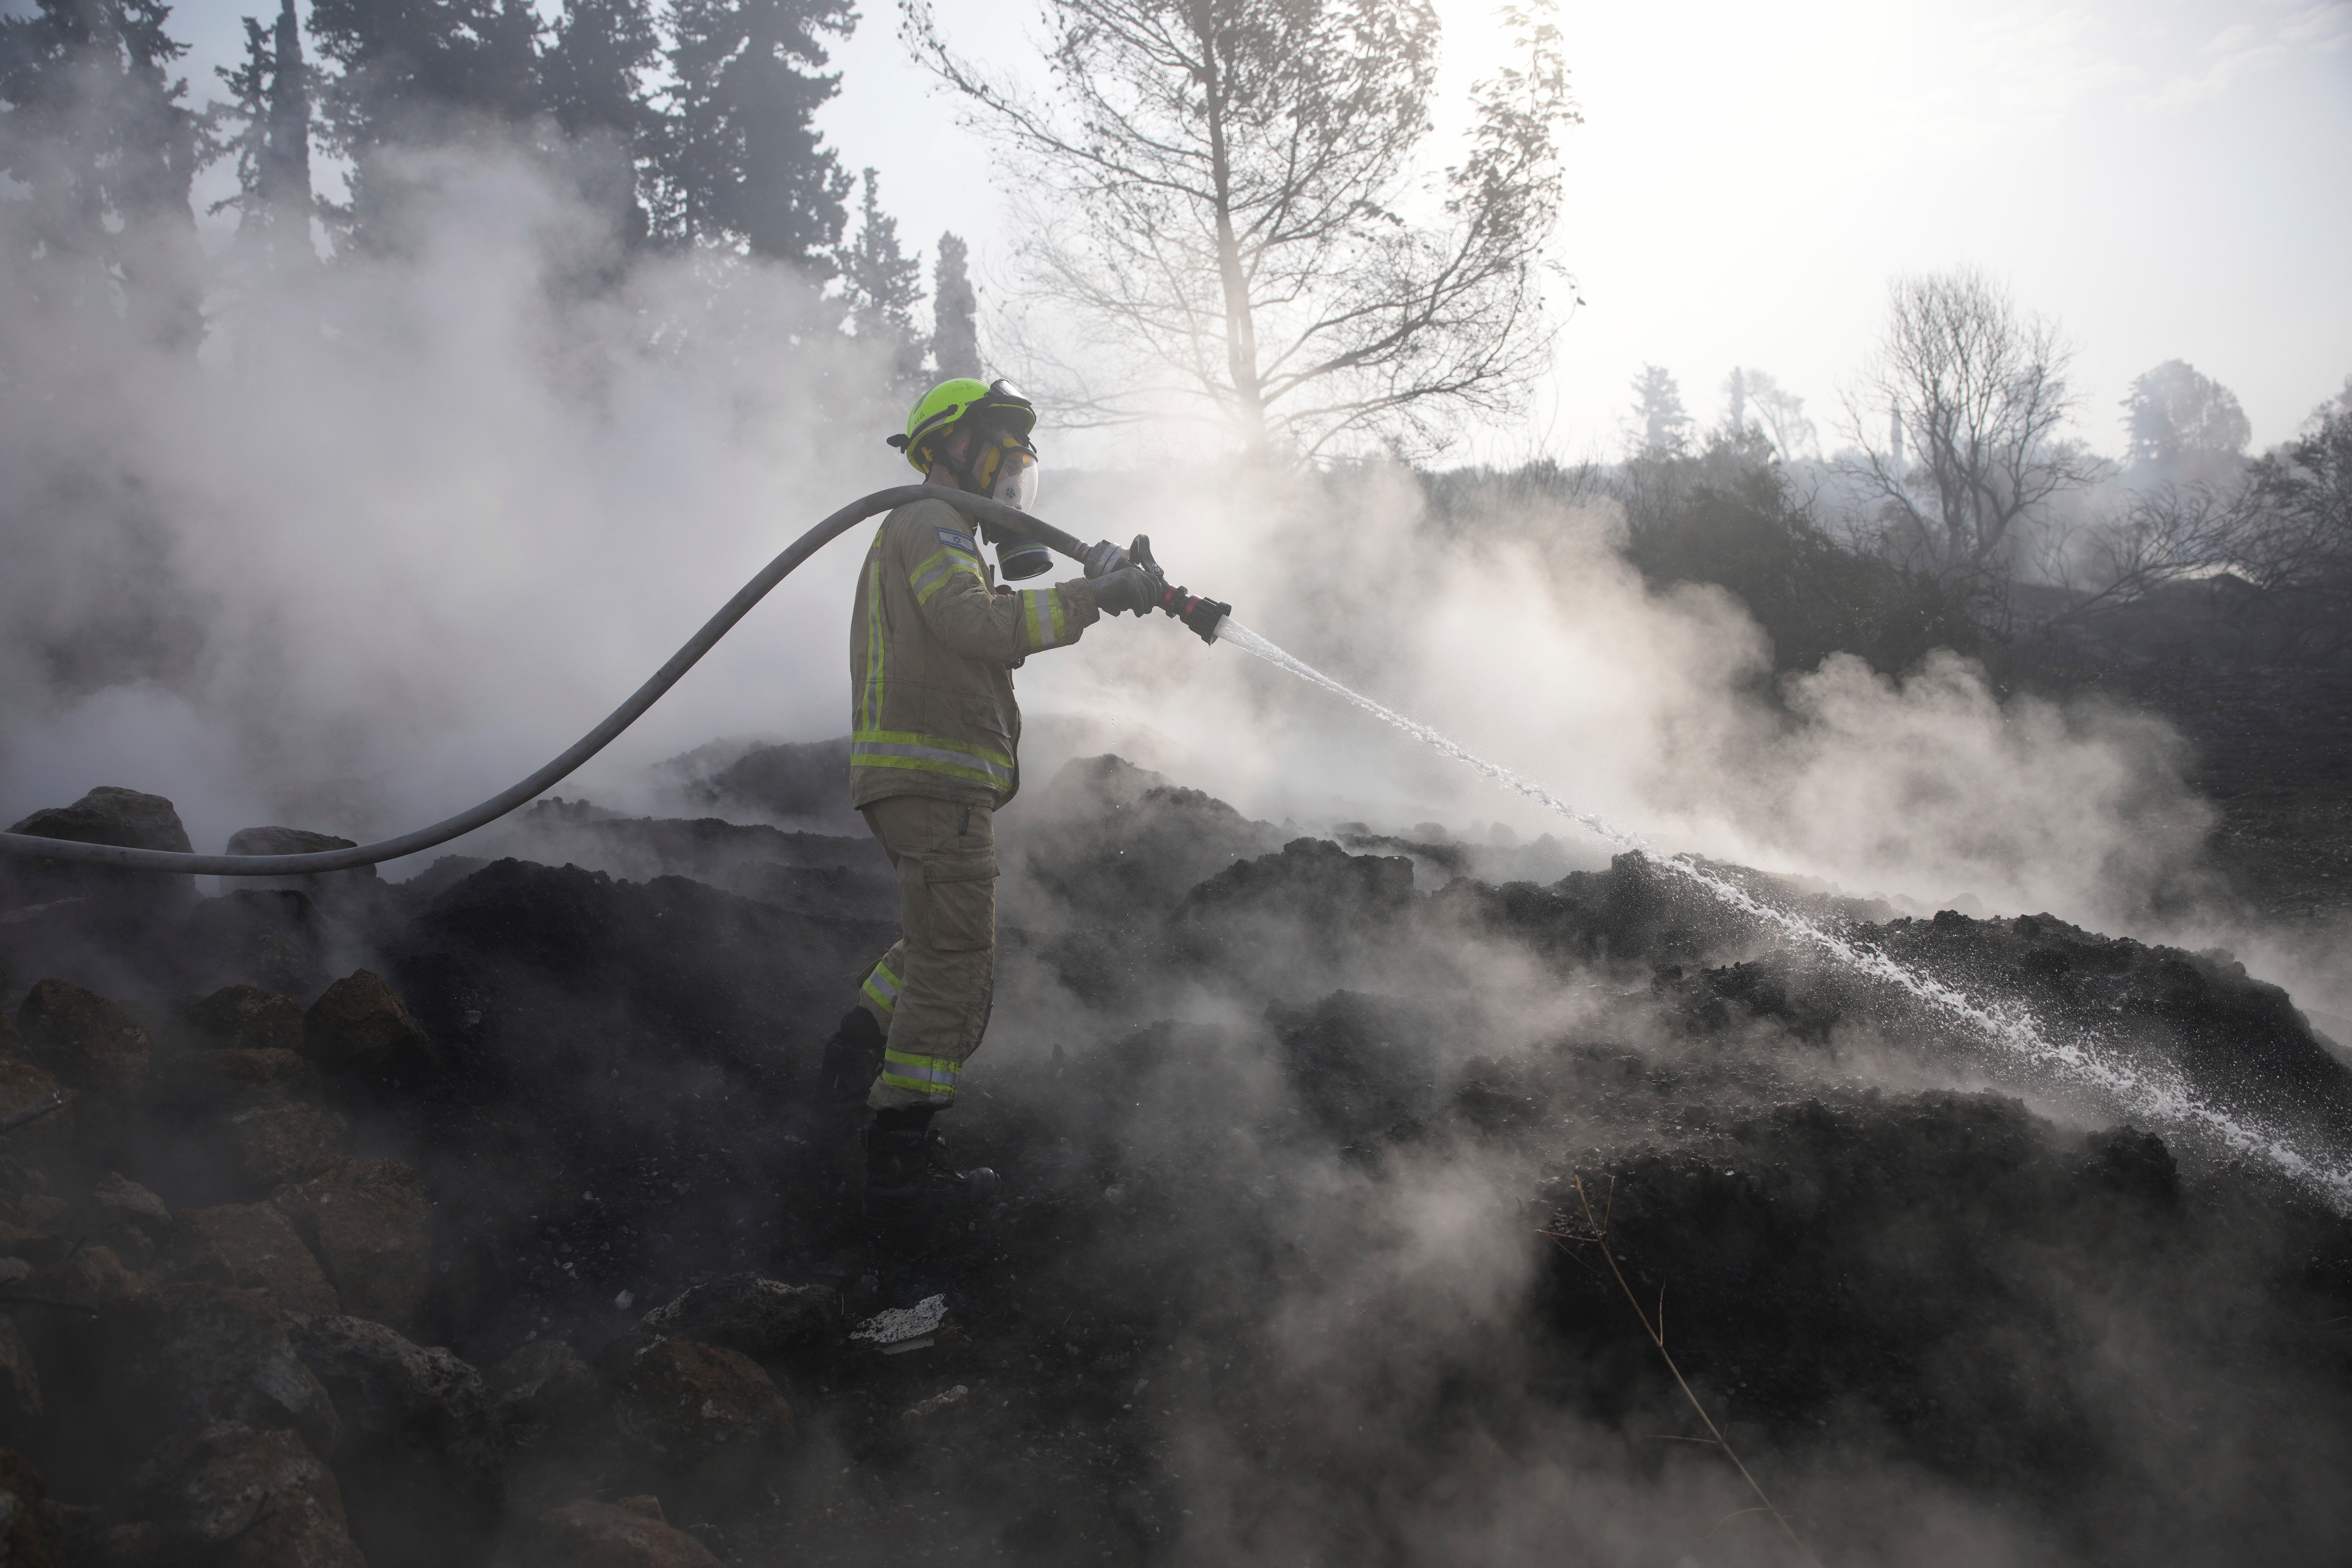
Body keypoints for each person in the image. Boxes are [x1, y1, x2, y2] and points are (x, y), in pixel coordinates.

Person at [819, 378, 1158, 1229]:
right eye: (996, 442)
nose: (1015, 463)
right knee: (957, 967)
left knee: (933, 944)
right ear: (944, 450)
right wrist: (1093, 599)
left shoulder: (934, 531)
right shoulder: (932, 520)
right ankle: (900, 1175)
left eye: (1020, 445)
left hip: (920, 783)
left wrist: (1093, 586)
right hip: (934, 783)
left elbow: (974, 619)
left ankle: (844, 1073)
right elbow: (977, 626)